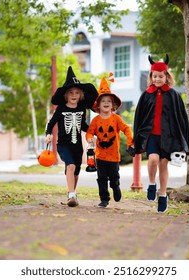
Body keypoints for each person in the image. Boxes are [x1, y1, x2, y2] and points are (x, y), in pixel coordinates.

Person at [133, 55, 189, 213]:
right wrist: (135, 138)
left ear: (167, 76)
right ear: (151, 77)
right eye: (155, 76)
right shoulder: (146, 95)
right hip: (151, 136)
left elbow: (181, 119)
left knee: (163, 164)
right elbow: (139, 117)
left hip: (167, 137)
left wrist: (183, 140)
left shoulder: (174, 96)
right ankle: (152, 183)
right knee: (153, 159)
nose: (158, 79)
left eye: (161, 76)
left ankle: (163, 195)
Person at [45, 66, 98, 207]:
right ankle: (71, 194)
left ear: (80, 95)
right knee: (71, 166)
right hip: (63, 144)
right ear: (65, 95)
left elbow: (83, 125)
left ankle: (73, 193)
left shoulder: (82, 109)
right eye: (70, 93)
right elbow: (51, 123)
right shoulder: (61, 109)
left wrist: (96, 131)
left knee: (76, 170)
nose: (74, 95)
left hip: (77, 146)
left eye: (76, 92)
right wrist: (48, 134)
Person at [86, 75, 134, 208]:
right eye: (103, 101)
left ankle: (116, 187)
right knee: (101, 179)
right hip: (100, 156)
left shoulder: (116, 119)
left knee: (113, 178)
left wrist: (130, 142)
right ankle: (104, 199)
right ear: (98, 105)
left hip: (114, 157)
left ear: (113, 105)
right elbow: (90, 132)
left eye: (109, 101)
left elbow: (126, 129)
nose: (106, 103)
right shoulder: (95, 121)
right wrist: (89, 138)